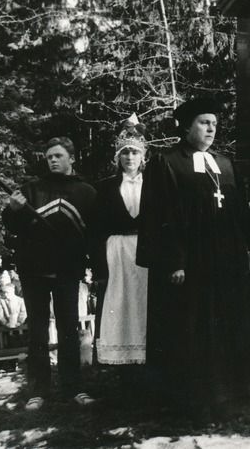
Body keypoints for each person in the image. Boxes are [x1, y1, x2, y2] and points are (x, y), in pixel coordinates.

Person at [136, 98, 250, 420]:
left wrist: (244, 253)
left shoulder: (224, 163)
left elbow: (238, 215)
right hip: (190, 264)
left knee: (223, 326)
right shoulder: (167, 163)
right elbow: (160, 216)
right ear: (187, 126)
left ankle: (225, 396)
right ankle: (191, 401)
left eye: (214, 123)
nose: (211, 129)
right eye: (204, 123)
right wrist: (174, 261)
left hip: (224, 262)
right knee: (192, 329)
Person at [2, 136, 97, 410]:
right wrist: (13, 210)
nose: (53, 160)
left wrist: (92, 265)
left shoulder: (86, 193)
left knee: (68, 329)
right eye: (49, 157)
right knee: (38, 332)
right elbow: (12, 226)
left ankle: (73, 388)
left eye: (58, 156)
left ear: (71, 158)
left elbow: (94, 233)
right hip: (34, 271)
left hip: (68, 271)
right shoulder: (32, 189)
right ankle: (38, 391)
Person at [94, 117, 149, 368]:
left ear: (142, 156)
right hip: (116, 252)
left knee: (144, 301)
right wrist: (98, 267)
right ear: (118, 156)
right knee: (120, 302)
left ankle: (148, 360)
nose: (130, 157)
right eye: (125, 152)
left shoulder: (154, 185)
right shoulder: (106, 187)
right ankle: (122, 363)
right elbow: (96, 229)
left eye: (134, 152)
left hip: (146, 250)